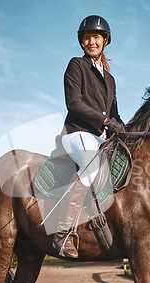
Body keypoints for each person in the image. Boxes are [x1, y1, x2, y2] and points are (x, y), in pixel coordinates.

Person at [53, 15, 125, 258]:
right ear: (82, 41)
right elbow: (74, 103)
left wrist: (124, 128)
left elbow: (115, 113)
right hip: (78, 133)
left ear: (105, 41)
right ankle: (62, 234)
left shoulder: (110, 78)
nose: (91, 41)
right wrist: (105, 121)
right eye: (87, 37)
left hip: (100, 137)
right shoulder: (77, 65)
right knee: (92, 167)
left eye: (96, 37)